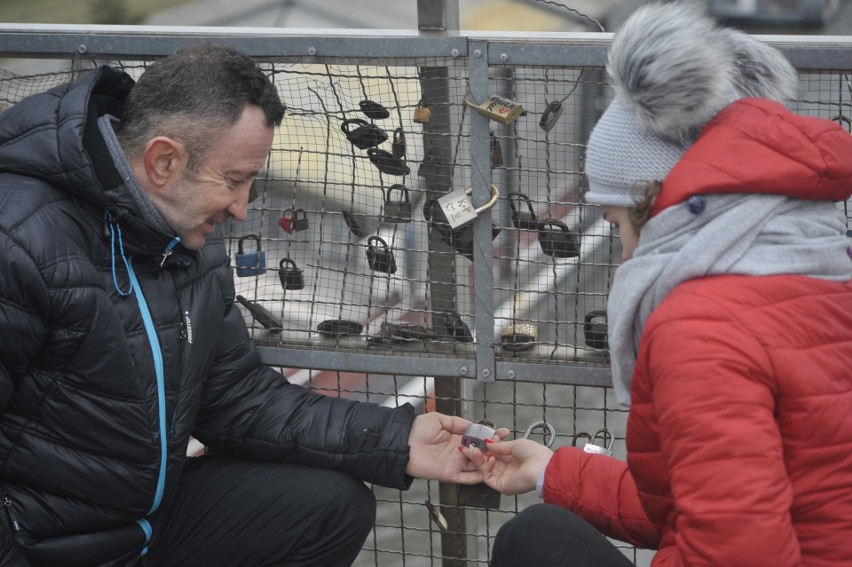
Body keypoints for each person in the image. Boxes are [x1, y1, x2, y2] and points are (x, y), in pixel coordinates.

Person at [0, 43, 506, 566]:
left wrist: (400, 441)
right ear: (163, 161)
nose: (242, 209)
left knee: (330, 506)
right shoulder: (17, 239)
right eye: (234, 180)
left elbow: (237, 398)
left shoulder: (185, 236)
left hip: (140, 519)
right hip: (44, 541)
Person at [463, 2, 852, 566]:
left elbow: (736, 551)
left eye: (618, 226)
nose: (622, 254)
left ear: (658, 207)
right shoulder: (820, 269)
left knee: (532, 544)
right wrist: (552, 471)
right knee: (542, 533)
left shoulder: (700, 328)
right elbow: (717, 501)